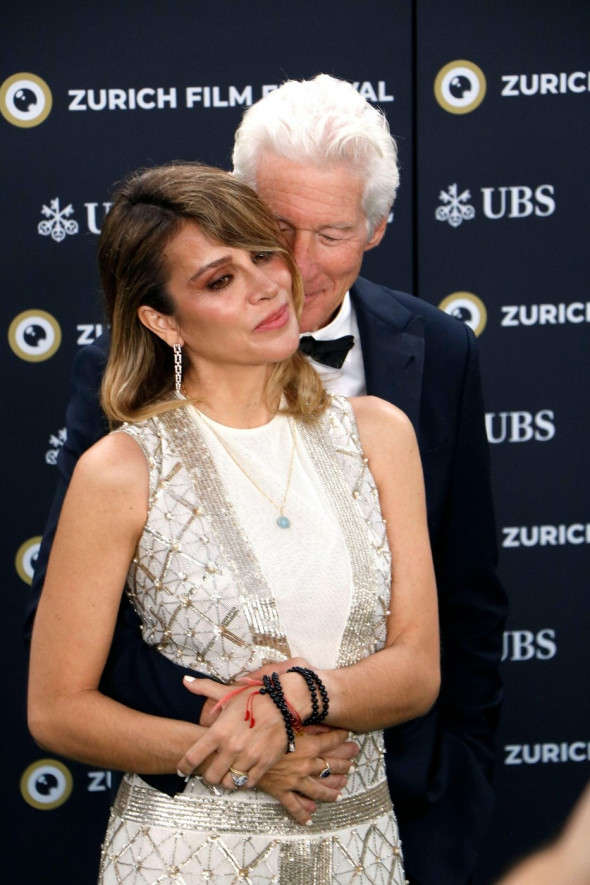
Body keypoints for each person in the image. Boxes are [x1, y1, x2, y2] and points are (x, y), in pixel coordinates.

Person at [26, 75, 507, 884]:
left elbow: (458, 614)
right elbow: (70, 670)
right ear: (166, 319)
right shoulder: (125, 454)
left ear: (377, 229)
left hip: (382, 823)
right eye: (271, 233)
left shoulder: (400, 405)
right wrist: (242, 744)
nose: (288, 272)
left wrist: (442, 784)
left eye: (332, 232)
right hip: (191, 837)